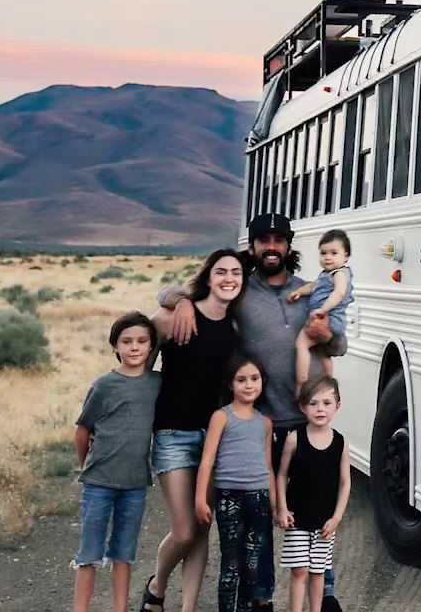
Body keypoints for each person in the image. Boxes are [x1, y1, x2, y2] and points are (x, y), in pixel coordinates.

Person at [160, 213, 339, 597]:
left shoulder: (311, 289)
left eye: (279, 240)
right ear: (253, 246)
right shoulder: (240, 290)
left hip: (307, 421)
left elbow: (336, 343)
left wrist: (330, 335)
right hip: (260, 424)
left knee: (314, 511)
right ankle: (260, 597)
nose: (271, 247)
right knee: (258, 519)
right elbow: (185, 291)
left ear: (289, 246)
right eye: (263, 240)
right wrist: (181, 303)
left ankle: (323, 596)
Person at [140, 249, 245, 612]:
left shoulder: (233, 329)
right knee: (183, 529)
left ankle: (187, 608)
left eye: (236, 273)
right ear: (208, 277)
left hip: (213, 439)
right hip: (172, 434)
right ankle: (156, 586)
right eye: (221, 271)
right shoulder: (170, 317)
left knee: (202, 526)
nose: (229, 278)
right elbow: (139, 373)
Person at [73, 313, 162, 612]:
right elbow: (83, 431)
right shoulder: (104, 385)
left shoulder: (157, 383)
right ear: (115, 346)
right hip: (99, 481)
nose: (134, 347)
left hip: (135, 483)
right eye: (127, 341)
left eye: (141, 341)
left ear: (151, 347)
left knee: (124, 554)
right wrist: (86, 464)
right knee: (89, 553)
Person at [195, 356, 276, 612]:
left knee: (253, 564)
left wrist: (275, 503)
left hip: (259, 497)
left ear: (262, 382)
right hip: (230, 497)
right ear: (230, 384)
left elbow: (269, 466)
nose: (248, 385)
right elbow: (207, 461)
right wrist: (200, 499)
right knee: (231, 564)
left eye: (254, 379)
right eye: (241, 379)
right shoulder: (221, 417)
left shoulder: (265, 423)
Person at [276, 375, 350, 612]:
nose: (320, 409)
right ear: (302, 407)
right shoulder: (295, 438)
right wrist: (282, 507)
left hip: (325, 521)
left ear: (337, 406)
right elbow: (281, 474)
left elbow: (345, 483)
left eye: (327, 403)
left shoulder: (340, 442)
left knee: (318, 571)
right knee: (299, 570)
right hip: (297, 518)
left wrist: (337, 517)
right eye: (314, 403)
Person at [286, 229, 353, 395]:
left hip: (328, 318)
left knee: (302, 344)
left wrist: (323, 310)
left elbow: (339, 293)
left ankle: (301, 383)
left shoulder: (340, 274)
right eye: (323, 253)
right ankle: (329, 384)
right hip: (330, 321)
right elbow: (312, 286)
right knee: (324, 354)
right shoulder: (325, 275)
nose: (327, 257)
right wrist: (299, 292)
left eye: (333, 253)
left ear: (346, 256)